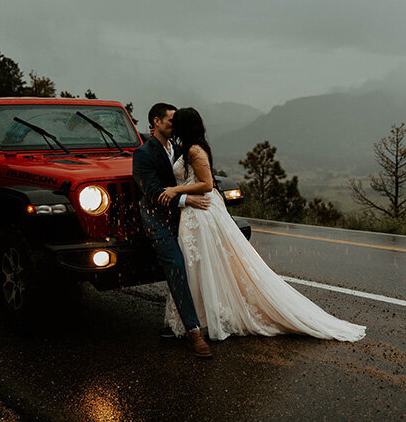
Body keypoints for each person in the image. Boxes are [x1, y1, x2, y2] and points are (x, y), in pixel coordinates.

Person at [157, 107, 366, 342]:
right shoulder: (187, 148)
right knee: (198, 265)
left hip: (202, 212)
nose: (173, 125)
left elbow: (206, 184)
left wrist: (176, 189)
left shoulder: (195, 150)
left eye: (177, 122)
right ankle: (197, 317)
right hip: (193, 212)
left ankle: (202, 318)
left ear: (185, 126)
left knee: (201, 263)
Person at [132, 103, 214, 358]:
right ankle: (193, 332)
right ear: (156, 122)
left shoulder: (180, 148)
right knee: (177, 266)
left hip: (183, 219)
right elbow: (153, 191)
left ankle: (173, 322)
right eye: (170, 120)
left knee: (193, 265)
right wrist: (187, 200)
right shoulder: (143, 154)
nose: (174, 124)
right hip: (157, 221)